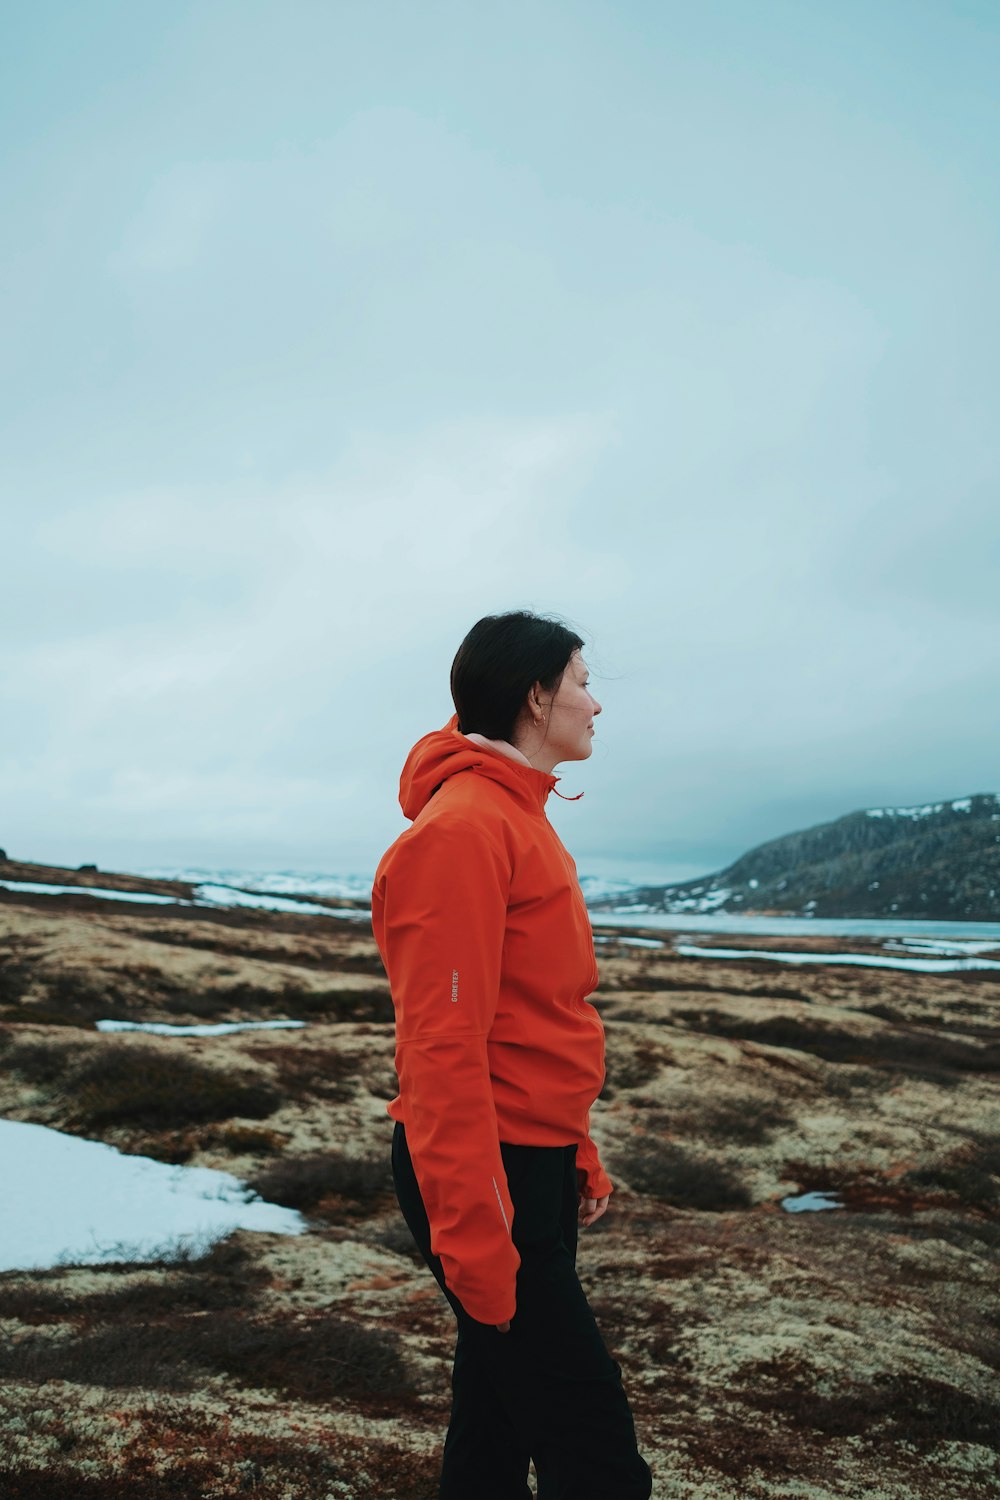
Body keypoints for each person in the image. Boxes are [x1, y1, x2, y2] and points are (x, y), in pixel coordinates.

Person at [371, 610, 653, 1500]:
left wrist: (576, 1148)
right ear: (535, 696)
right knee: (596, 1452)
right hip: (481, 1169)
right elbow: (442, 1050)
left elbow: (540, 1016)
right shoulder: (465, 831)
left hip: (527, 1161)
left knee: (493, 1422)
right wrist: (475, 1232)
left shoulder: (518, 816)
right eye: (579, 681)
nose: (595, 702)